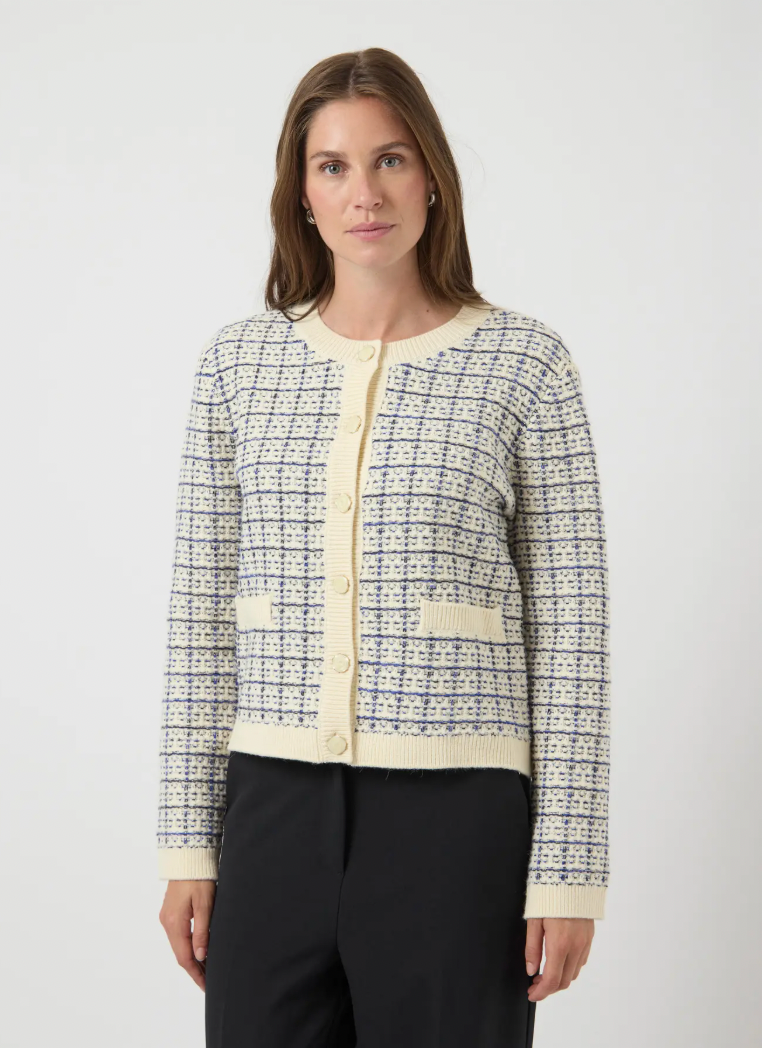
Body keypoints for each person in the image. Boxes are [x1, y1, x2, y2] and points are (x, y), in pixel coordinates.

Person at [157, 46, 611, 1048]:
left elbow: (573, 632)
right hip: (269, 811)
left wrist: (568, 867)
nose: (364, 193)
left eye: (390, 159)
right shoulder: (237, 366)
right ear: (301, 192)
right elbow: (199, 618)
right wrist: (186, 843)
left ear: (432, 176)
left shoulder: (525, 364)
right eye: (333, 166)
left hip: (458, 825)